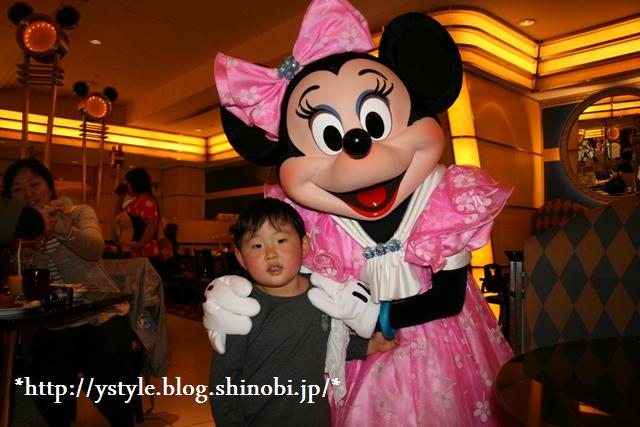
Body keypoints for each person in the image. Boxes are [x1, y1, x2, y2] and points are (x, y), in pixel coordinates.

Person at [208, 0, 514, 425]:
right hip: (362, 351)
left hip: (444, 347)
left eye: (373, 122)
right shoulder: (316, 222)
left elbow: (448, 297)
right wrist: (241, 295)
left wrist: (379, 316)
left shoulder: (442, 199)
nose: (357, 145)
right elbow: (297, 283)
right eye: (330, 137)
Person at [206, 198, 397, 426]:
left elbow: (330, 342)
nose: (271, 253)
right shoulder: (239, 310)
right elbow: (223, 382)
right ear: (240, 257)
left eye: (281, 240)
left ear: (304, 245)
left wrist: (368, 346)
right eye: (257, 246)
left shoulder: (322, 294)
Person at [2, 158, 135, 426]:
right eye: (18, 189)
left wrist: (64, 232)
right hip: (54, 324)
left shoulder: (79, 213)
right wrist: (25, 250)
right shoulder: (18, 235)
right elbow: (25, 286)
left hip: (101, 315)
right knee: (47, 382)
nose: (27, 193)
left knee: (105, 375)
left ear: (50, 187)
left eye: (34, 184)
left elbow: (94, 248)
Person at [122, 167, 160, 261]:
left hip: (144, 251)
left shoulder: (146, 201)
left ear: (134, 183)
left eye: (127, 182)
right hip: (138, 249)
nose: (126, 185)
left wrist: (140, 244)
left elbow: (151, 225)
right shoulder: (139, 201)